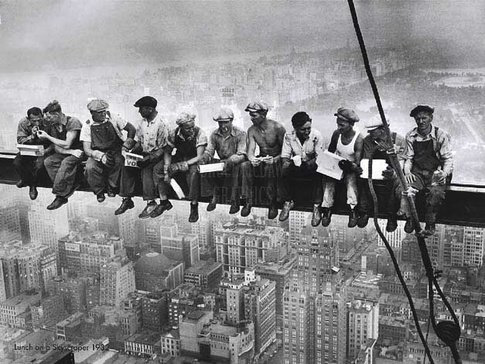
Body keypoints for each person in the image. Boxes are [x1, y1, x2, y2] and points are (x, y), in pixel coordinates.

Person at [398, 105, 453, 235]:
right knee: (407, 189)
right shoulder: (411, 136)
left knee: (435, 193)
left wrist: (444, 174)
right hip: (418, 172)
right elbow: (409, 158)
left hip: (436, 172)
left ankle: (430, 224)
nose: (421, 122)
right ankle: (410, 218)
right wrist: (407, 172)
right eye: (418, 119)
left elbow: (447, 159)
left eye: (424, 118)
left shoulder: (441, 135)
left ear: (431, 118)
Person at [115, 96, 168, 218]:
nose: (139, 111)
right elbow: (139, 141)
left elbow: (164, 148)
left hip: (158, 156)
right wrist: (129, 151)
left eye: (141, 109)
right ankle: (127, 199)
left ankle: (151, 202)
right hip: (144, 154)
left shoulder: (162, 124)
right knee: (127, 166)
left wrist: (149, 159)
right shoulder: (142, 123)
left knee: (147, 170)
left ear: (149, 109)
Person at [155, 112, 207, 223]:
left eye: (192, 127)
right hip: (179, 156)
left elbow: (200, 156)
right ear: (181, 127)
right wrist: (167, 167)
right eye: (188, 128)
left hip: (193, 160)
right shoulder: (174, 133)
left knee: (193, 174)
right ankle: (164, 201)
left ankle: (194, 205)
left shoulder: (200, 133)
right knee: (158, 169)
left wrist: (183, 165)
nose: (191, 130)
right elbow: (168, 152)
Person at [81, 99, 136, 202]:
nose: (103, 114)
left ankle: (112, 187)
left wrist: (126, 146)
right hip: (97, 152)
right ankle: (99, 192)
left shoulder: (113, 117)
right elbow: (87, 149)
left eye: (104, 111)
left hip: (115, 149)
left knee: (119, 162)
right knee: (90, 167)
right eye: (99, 112)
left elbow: (131, 129)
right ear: (92, 113)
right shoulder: (87, 125)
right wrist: (100, 156)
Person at [356, 116, 405, 231]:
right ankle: (364, 211)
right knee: (362, 180)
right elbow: (367, 158)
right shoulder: (368, 140)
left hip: (392, 172)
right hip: (374, 171)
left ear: (383, 129)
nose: (370, 133)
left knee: (395, 184)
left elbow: (402, 162)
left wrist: (390, 155)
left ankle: (391, 216)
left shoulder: (398, 140)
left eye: (373, 131)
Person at [279, 111, 325, 225]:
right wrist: (288, 163)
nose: (306, 132)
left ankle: (316, 206)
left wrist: (309, 164)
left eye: (308, 128)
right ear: (295, 128)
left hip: (312, 165)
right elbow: (285, 155)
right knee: (284, 169)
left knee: (319, 173)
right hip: (297, 165)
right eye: (303, 129)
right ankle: (288, 201)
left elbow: (321, 157)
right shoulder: (289, 136)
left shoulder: (317, 135)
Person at [321, 107, 363, 228]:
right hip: (337, 165)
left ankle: (353, 209)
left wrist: (350, 165)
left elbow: (358, 163)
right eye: (338, 125)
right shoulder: (336, 134)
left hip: (350, 168)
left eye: (342, 125)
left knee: (351, 182)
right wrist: (329, 162)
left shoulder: (358, 139)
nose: (339, 128)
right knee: (328, 180)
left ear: (351, 124)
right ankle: (327, 208)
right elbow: (331, 151)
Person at [37, 100, 84, 210]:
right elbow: (56, 146)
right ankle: (69, 186)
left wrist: (47, 136)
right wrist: (69, 152)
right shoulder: (54, 125)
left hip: (80, 152)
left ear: (57, 114)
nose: (48, 120)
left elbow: (67, 144)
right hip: (68, 152)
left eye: (49, 117)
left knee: (66, 163)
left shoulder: (73, 122)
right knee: (49, 161)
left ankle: (60, 196)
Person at [202, 107, 249, 214]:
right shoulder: (214, 134)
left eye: (226, 122)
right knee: (207, 165)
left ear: (231, 121)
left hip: (235, 161)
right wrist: (205, 157)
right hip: (222, 162)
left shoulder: (240, 133)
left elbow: (242, 154)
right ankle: (213, 196)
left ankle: (235, 201)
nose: (223, 126)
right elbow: (209, 150)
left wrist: (229, 161)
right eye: (220, 123)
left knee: (237, 168)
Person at [244, 101, 286, 219]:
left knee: (269, 168)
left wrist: (275, 159)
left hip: (277, 160)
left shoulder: (277, 128)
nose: (251, 118)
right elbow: (250, 151)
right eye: (250, 115)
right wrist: (252, 159)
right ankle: (249, 200)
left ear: (263, 115)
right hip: (263, 158)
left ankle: (272, 203)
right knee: (245, 166)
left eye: (254, 115)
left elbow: (286, 151)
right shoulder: (252, 130)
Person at [14, 107, 53, 200]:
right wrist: (31, 136)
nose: (37, 123)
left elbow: (54, 141)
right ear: (28, 119)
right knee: (17, 163)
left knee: (39, 166)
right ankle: (25, 179)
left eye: (39, 120)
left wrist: (45, 145)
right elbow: (20, 140)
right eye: (34, 121)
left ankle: (32, 186)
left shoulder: (48, 122)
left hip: (44, 149)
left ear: (42, 116)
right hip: (29, 148)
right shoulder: (23, 123)